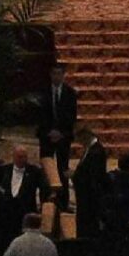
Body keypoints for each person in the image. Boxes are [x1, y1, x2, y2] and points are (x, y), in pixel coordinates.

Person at [37, 64, 78, 210]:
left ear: (64, 75)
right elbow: (39, 115)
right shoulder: (43, 92)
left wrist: (60, 133)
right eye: (54, 73)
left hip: (63, 137)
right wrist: (49, 132)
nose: (57, 77)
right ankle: (45, 202)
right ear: (50, 75)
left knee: (62, 169)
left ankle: (63, 202)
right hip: (46, 136)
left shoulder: (70, 93)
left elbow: (71, 117)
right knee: (46, 169)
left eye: (59, 74)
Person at [0, 146, 50, 227]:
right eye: (20, 157)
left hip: (26, 210)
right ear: (14, 157)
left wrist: (42, 207)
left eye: (25, 157)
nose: (23, 160)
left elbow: (44, 188)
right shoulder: (3, 170)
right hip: (6, 210)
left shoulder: (34, 171)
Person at [71, 126, 107, 239]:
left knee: (89, 223)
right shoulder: (90, 149)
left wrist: (75, 176)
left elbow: (93, 174)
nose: (80, 143)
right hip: (84, 194)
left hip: (89, 195)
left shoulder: (96, 151)